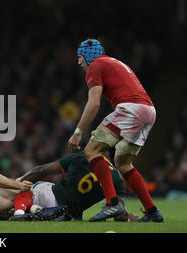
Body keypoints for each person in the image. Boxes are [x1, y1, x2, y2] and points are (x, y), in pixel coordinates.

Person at [67, 39, 163, 222]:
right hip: (149, 110)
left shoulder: (95, 65)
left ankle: (112, 203)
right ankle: (152, 211)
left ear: (88, 55)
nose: (79, 62)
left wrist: (78, 132)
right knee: (123, 162)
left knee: (92, 150)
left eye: (79, 57)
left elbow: (94, 103)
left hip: (131, 109)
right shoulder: (114, 62)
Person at [10, 151, 139, 221]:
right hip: (67, 215)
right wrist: (129, 217)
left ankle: (20, 207)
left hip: (46, 196)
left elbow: (41, 171)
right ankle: (31, 210)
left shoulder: (83, 156)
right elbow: (118, 209)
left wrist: (15, 183)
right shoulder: (117, 179)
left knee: (17, 190)